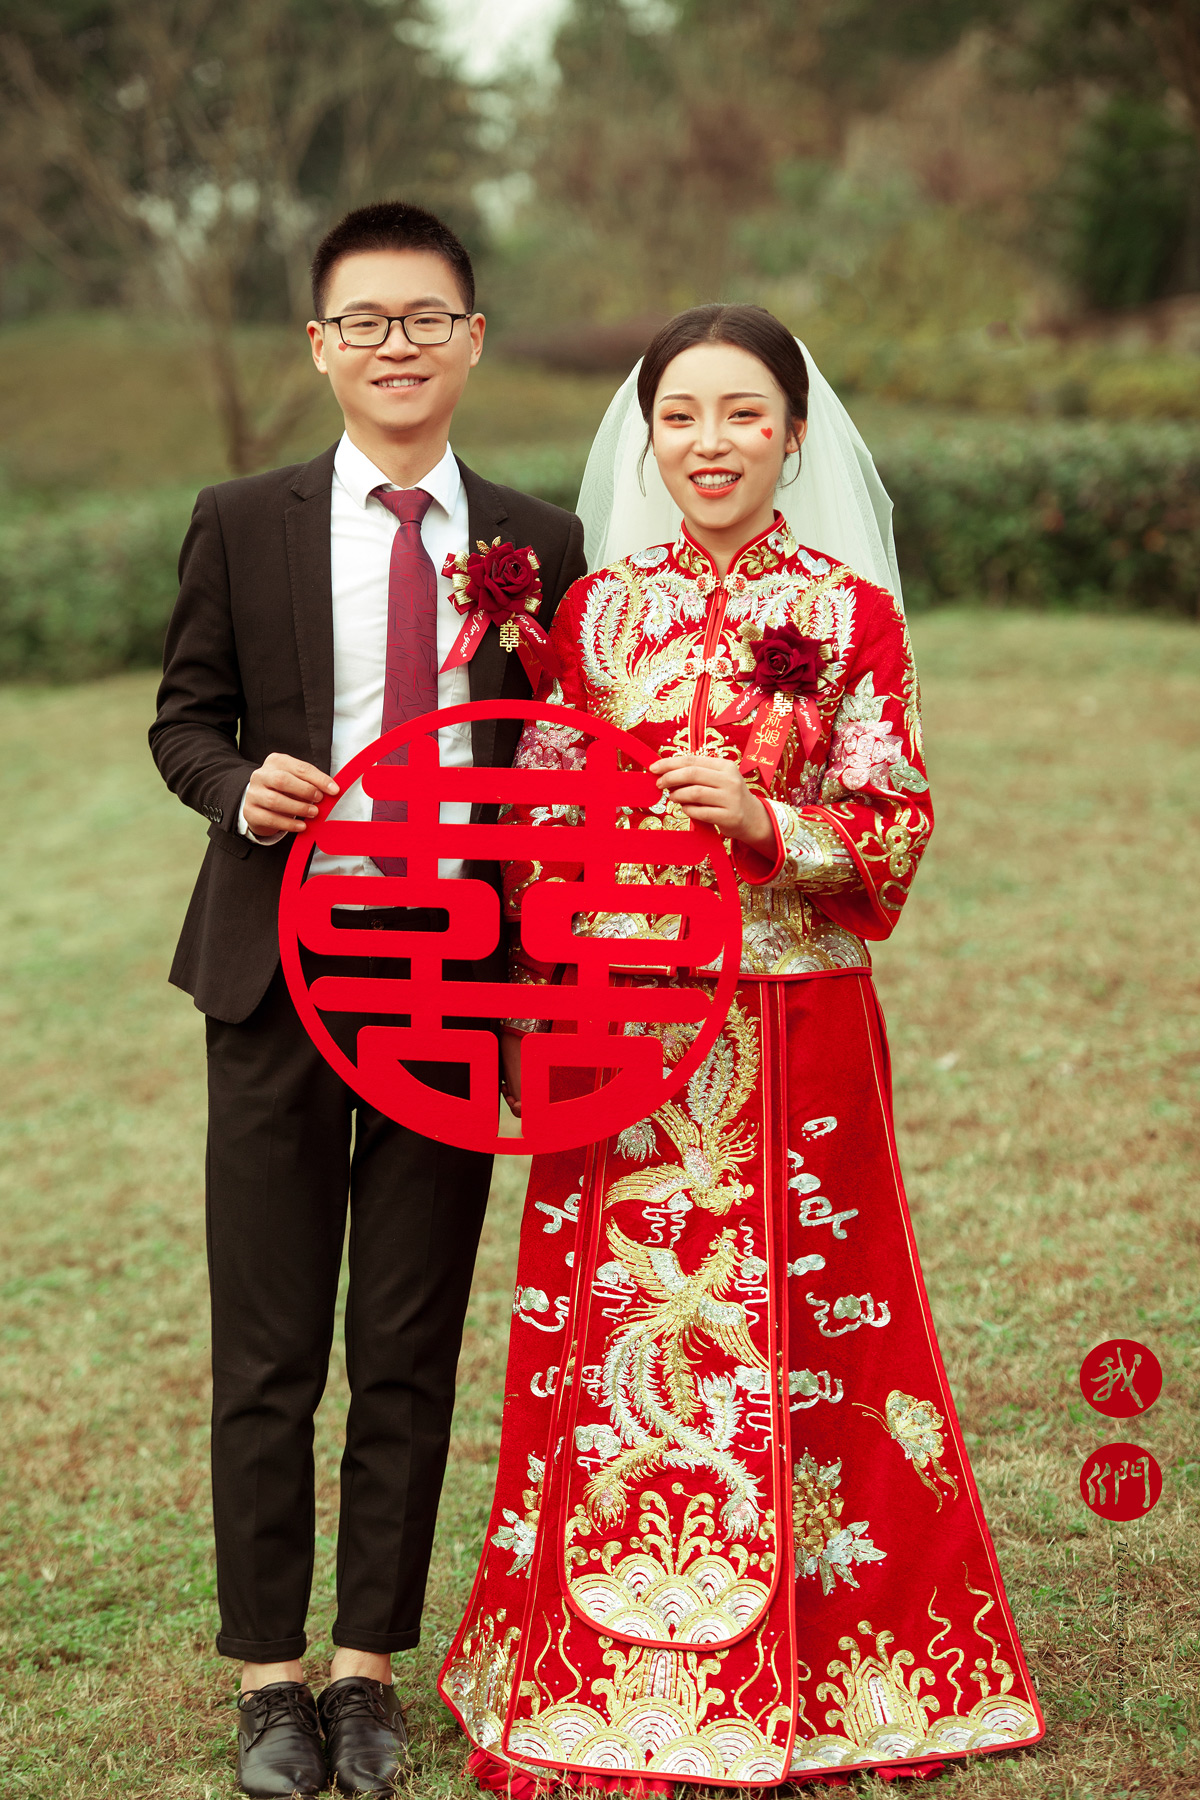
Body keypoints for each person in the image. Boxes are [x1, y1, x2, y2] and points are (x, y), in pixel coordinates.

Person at [439, 305, 1044, 1789]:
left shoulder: (852, 614)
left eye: (743, 415)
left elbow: (895, 821)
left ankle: (845, 1667)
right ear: (647, 436)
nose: (711, 445)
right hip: (622, 1036)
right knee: (613, 1331)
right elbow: (541, 820)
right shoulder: (596, 615)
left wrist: (768, 821)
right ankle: (596, 1656)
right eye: (682, 417)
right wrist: (570, 920)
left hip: (795, 1024)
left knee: (820, 1326)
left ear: (794, 433)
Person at [149, 201, 586, 1799]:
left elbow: (561, 761)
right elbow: (182, 718)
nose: (396, 346)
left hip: (453, 980)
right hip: (280, 970)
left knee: (407, 1336)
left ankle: (367, 1673)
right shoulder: (239, 518)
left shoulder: (544, 541)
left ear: (472, 339)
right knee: (268, 1342)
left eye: (426, 318)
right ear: (321, 346)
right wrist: (236, 788)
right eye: (366, 321)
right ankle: (269, 1677)